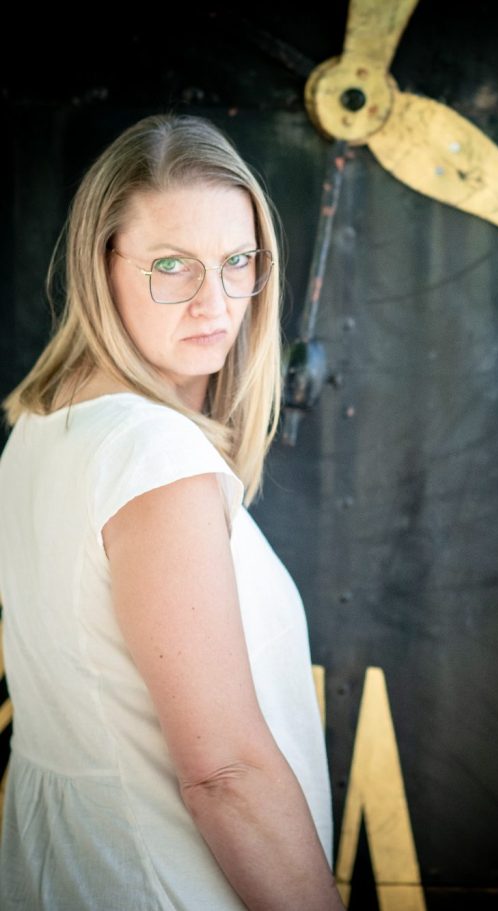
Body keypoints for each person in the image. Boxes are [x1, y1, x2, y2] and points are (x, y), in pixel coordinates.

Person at [0, 114, 344, 910]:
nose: (215, 302)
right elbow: (225, 774)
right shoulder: (151, 456)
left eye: (236, 262)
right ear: (101, 266)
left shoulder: (37, 432)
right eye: (170, 266)